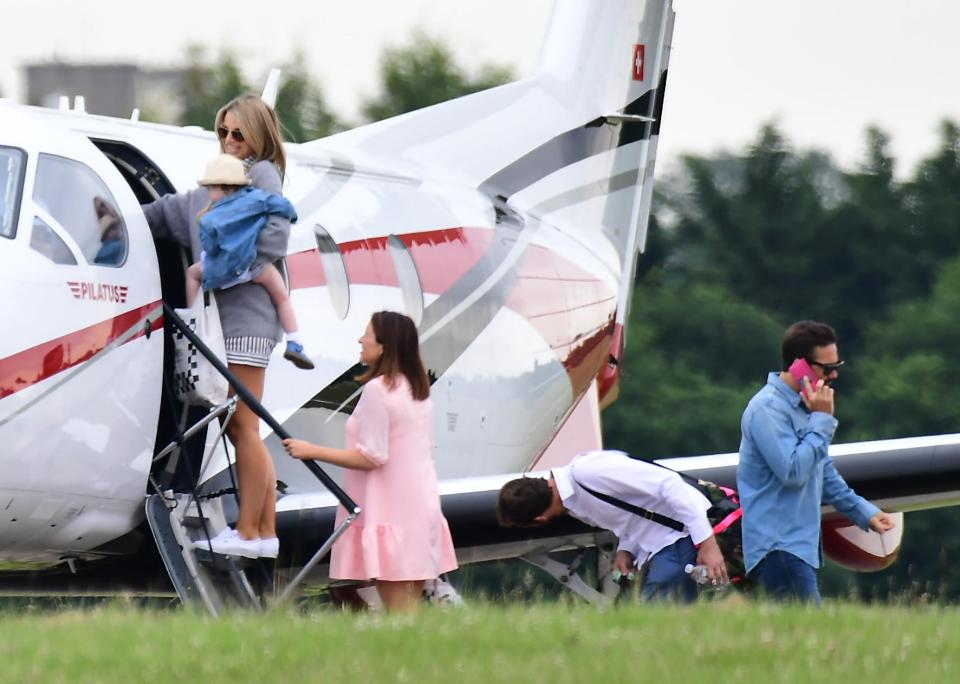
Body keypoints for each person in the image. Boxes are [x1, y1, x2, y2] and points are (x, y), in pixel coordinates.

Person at [143, 94, 298, 559]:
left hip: (248, 320)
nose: (229, 142)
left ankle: (252, 533)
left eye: (238, 134)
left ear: (258, 137)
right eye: (223, 133)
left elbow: (274, 237)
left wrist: (223, 267)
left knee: (243, 428)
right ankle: (262, 530)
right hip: (238, 321)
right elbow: (163, 216)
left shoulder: (262, 174)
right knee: (242, 426)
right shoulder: (222, 188)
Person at [282, 311, 459, 611]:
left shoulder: (378, 390)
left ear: (384, 346)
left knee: (399, 613)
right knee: (408, 611)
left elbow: (372, 456)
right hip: (419, 509)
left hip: (391, 512)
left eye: (367, 335)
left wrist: (311, 450)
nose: (360, 340)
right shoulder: (418, 391)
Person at [737, 320, 896, 603]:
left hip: (798, 549)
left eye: (838, 366)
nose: (834, 375)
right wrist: (822, 420)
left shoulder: (803, 407)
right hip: (779, 548)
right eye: (827, 368)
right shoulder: (768, 409)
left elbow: (822, 471)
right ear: (799, 366)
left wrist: (865, 512)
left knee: (797, 637)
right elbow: (794, 471)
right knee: (805, 636)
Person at [497, 449, 728, 602]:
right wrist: (626, 549)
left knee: (658, 620)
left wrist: (707, 543)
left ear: (540, 520)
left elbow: (669, 484)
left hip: (680, 535)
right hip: (661, 545)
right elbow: (632, 511)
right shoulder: (572, 500)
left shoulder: (588, 472)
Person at [185, 154, 312, 370]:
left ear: (220, 187)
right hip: (255, 267)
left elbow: (211, 245)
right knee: (282, 297)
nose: (208, 193)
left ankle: (193, 322)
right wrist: (292, 217)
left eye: (210, 188)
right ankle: (295, 341)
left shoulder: (210, 218)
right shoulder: (257, 198)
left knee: (192, 274)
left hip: (223, 272)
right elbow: (284, 207)